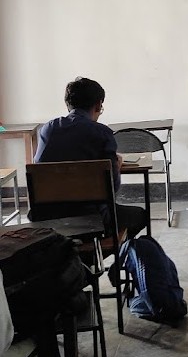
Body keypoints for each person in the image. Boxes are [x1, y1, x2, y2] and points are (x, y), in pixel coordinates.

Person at [33, 77, 147, 238]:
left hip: (48, 220)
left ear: (68, 104)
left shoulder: (47, 129)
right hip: (93, 220)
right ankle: (98, 257)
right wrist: (116, 164)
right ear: (99, 105)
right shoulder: (102, 133)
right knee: (140, 216)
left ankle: (77, 260)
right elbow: (112, 189)